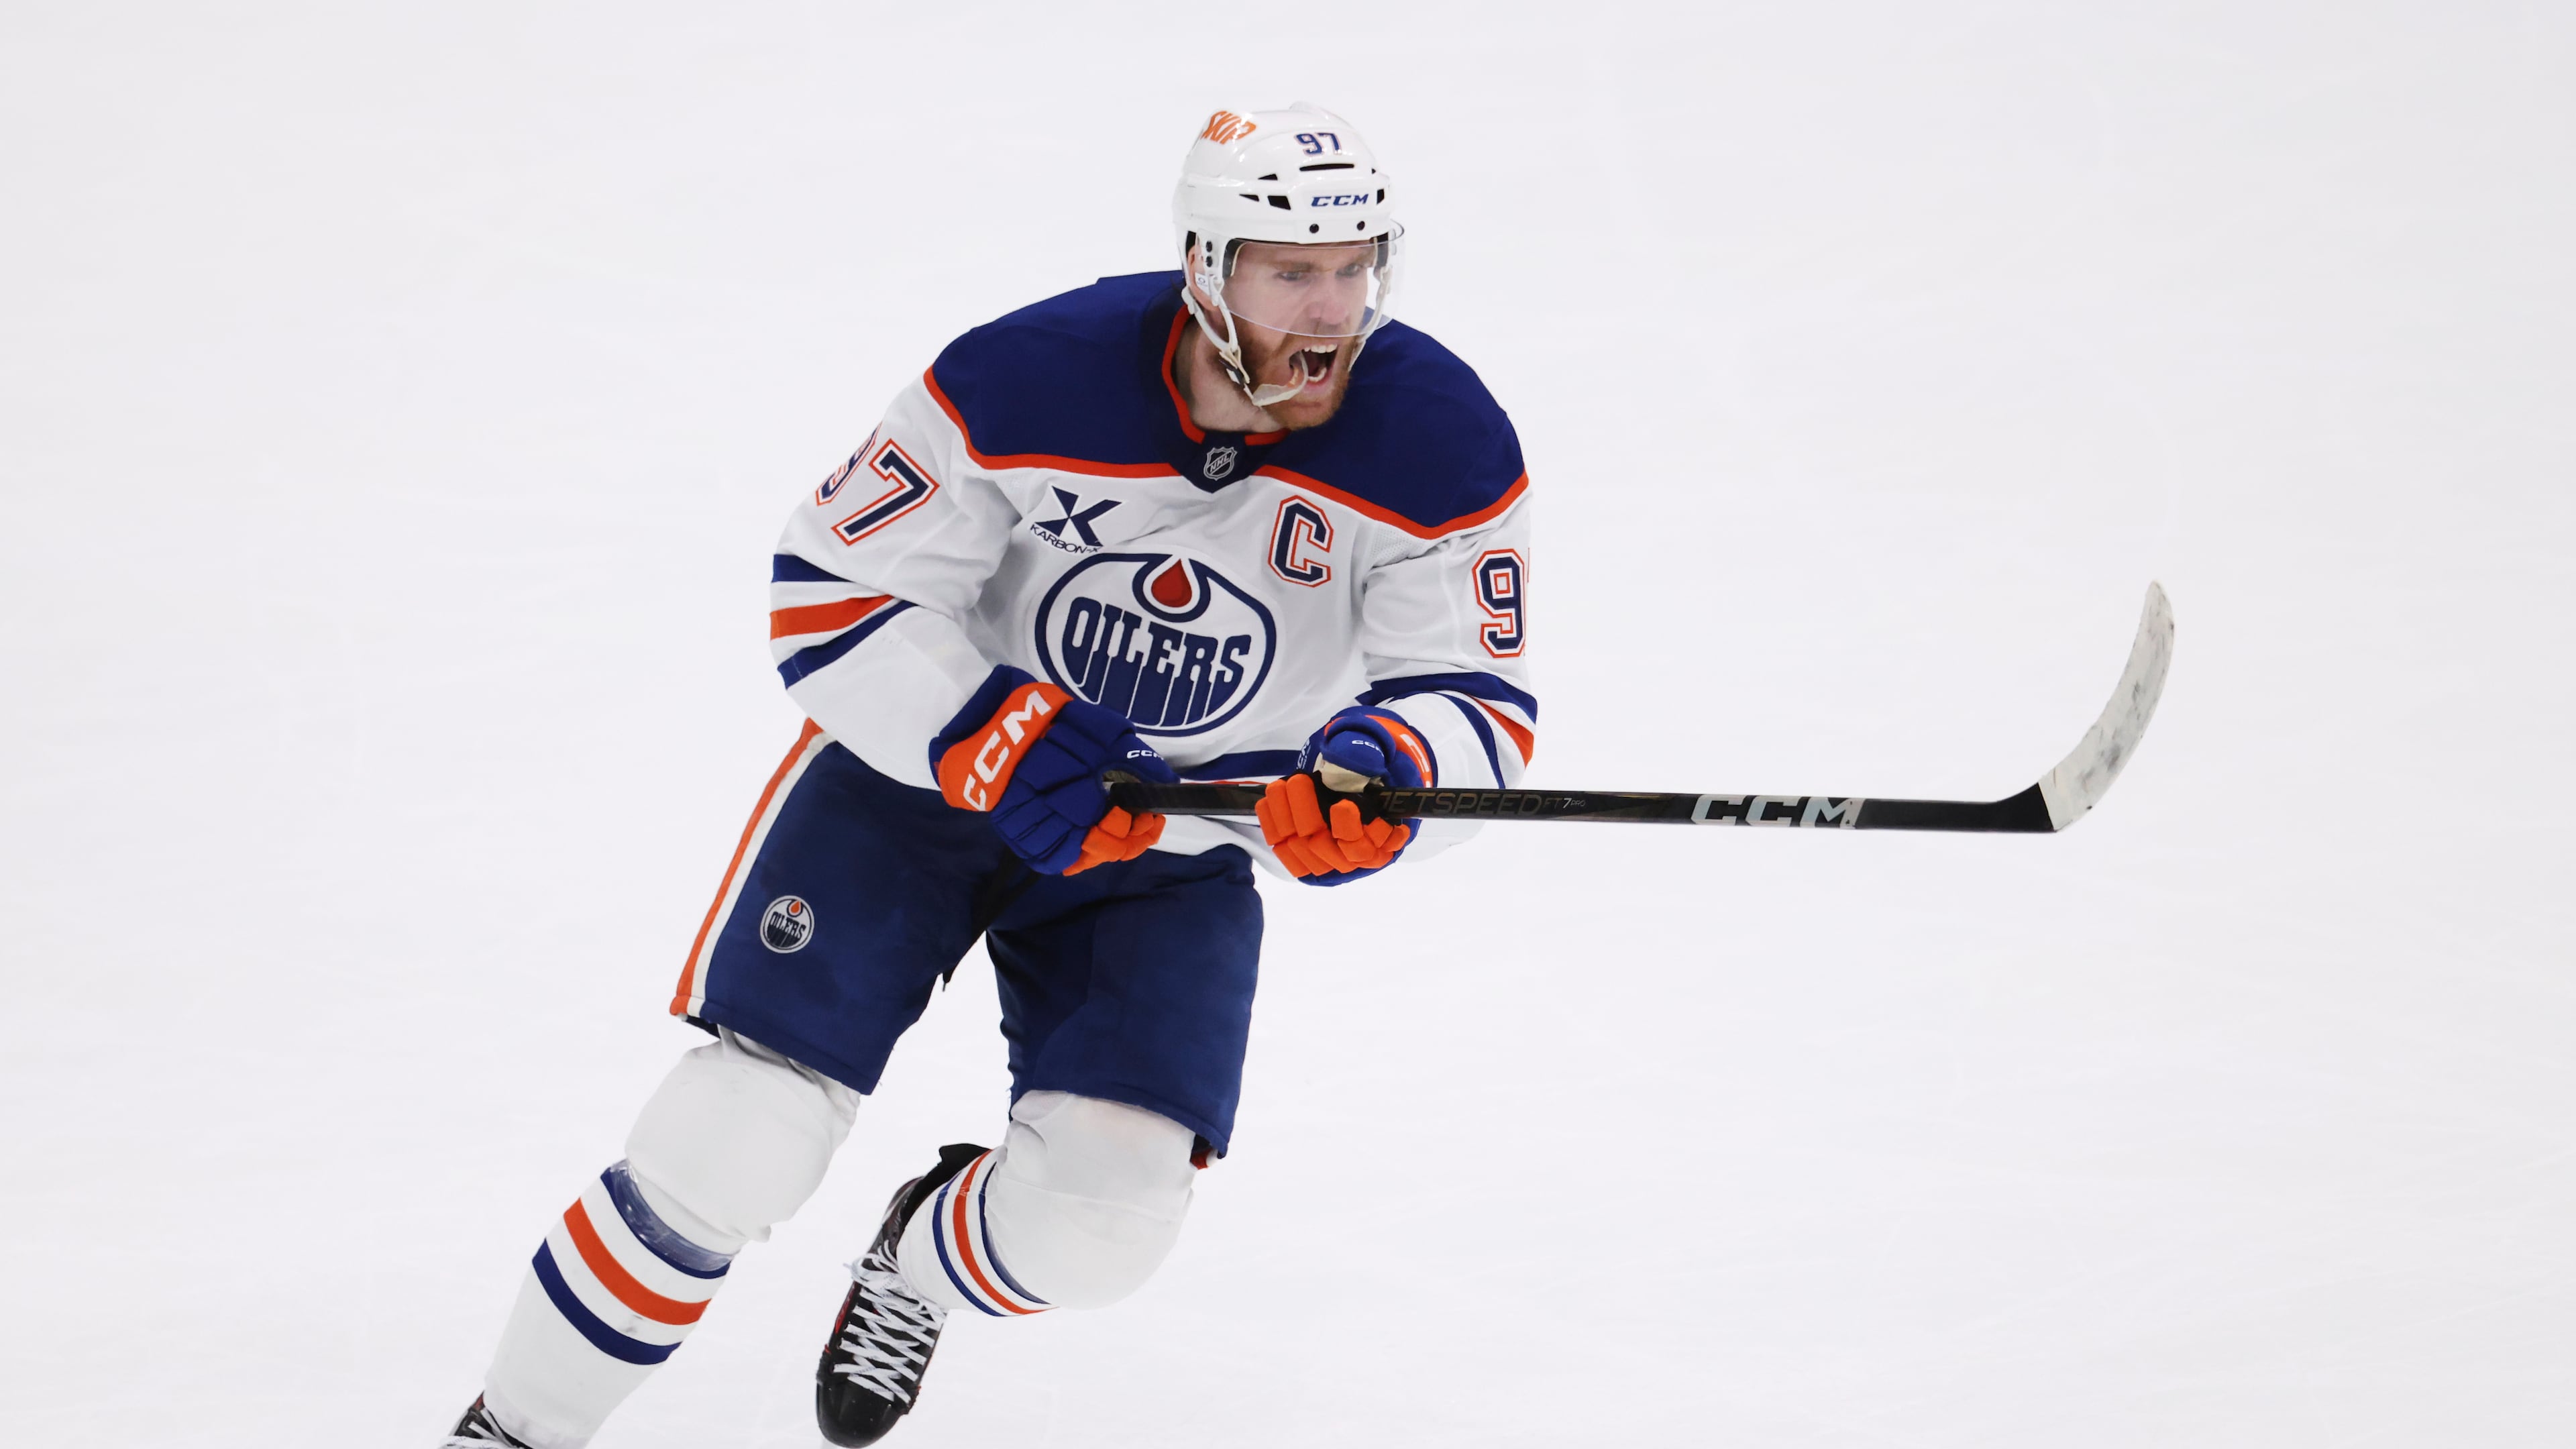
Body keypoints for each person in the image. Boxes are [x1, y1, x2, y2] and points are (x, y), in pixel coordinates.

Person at [440, 102, 1535, 1448]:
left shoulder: (1443, 440)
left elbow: (1477, 704)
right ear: (1206, 262)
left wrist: (1385, 783)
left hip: (1171, 850)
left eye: (1356, 265)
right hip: (919, 801)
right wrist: (992, 731)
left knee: (1099, 1229)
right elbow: (831, 589)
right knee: (732, 1142)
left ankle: (913, 1261)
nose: (1332, 306)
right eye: (1290, 269)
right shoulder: (1032, 374)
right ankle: (511, 1433)